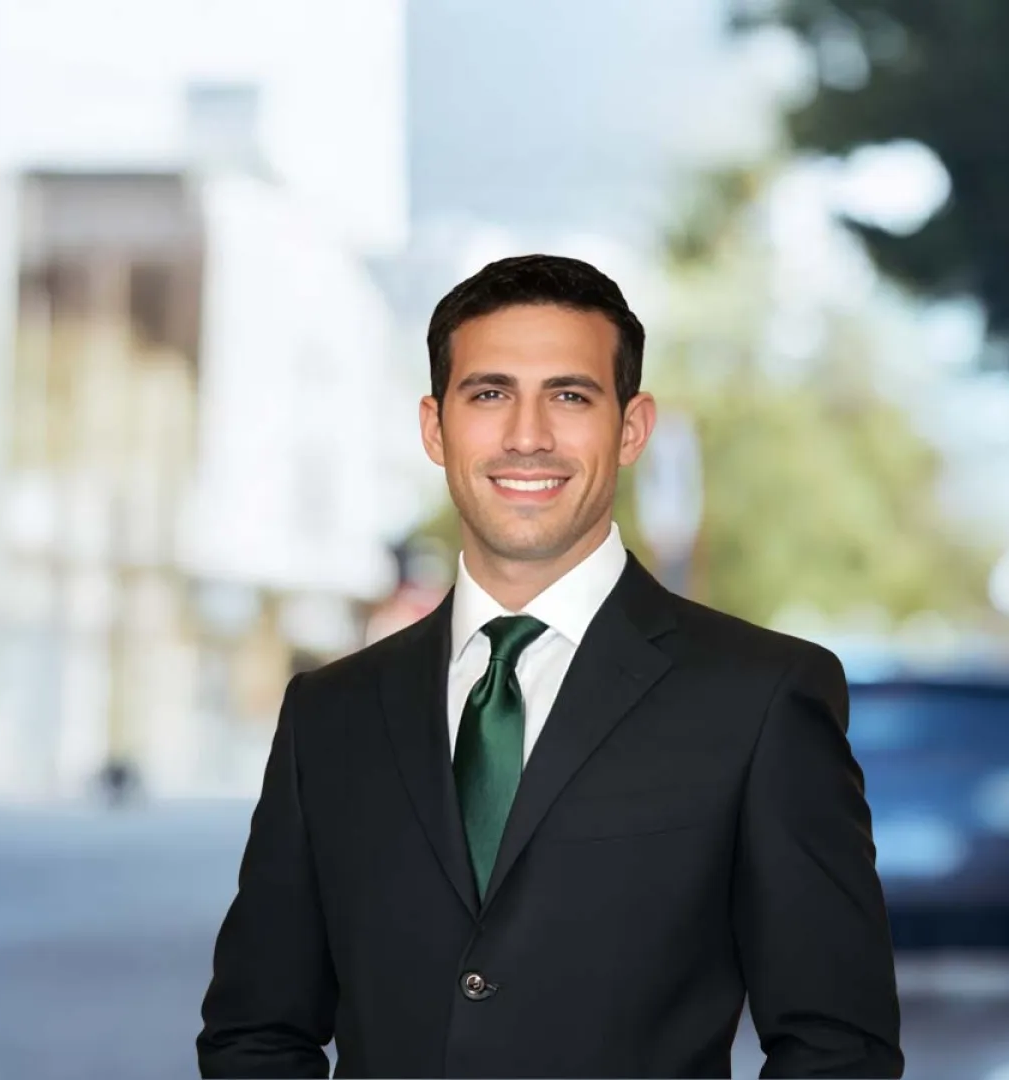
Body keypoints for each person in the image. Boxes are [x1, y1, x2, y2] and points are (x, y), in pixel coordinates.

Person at [197, 255, 902, 1078]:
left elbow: (838, 1049)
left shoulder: (761, 700)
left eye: (570, 395)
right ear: (435, 427)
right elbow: (255, 1031)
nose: (527, 434)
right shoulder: (330, 714)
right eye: (489, 393)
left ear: (630, 428)